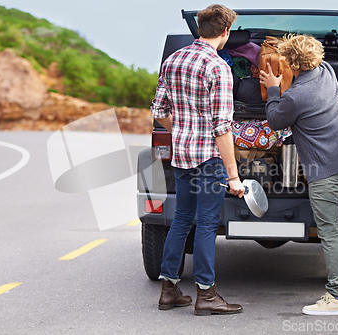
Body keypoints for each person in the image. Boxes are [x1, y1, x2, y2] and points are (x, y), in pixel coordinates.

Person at [259, 34, 338, 316]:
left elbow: (276, 122)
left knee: (329, 231)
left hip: (325, 170)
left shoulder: (295, 96)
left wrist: (273, 90)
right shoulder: (326, 72)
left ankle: (337, 297)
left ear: (291, 63)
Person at [151, 4, 244, 316]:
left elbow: (158, 110)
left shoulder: (173, 59)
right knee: (205, 223)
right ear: (225, 32)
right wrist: (233, 176)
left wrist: (181, 129)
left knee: (181, 219)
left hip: (181, 154)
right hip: (208, 158)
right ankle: (206, 294)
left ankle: (169, 290)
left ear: (199, 29)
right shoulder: (218, 67)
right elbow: (222, 128)